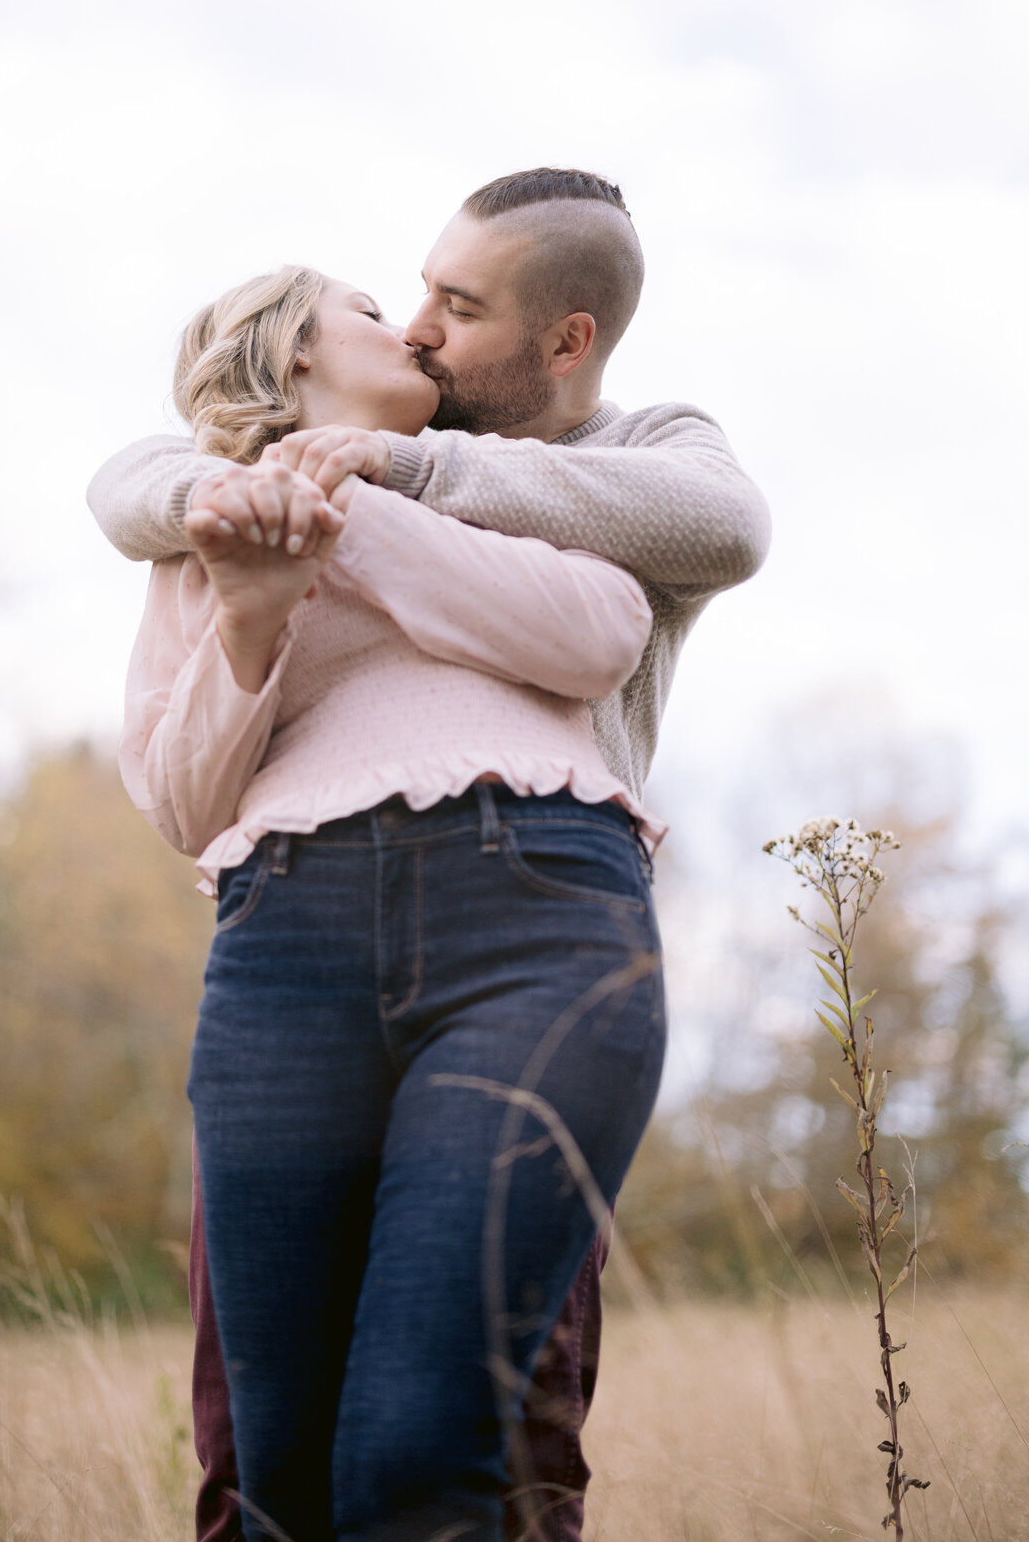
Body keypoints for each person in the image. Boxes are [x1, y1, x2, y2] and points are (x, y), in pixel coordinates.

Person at [88, 167, 771, 1540]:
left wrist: (375, 489)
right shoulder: (218, 518)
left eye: (454, 308)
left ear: (565, 337)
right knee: (267, 1476)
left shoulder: (601, 465)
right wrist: (251, 582)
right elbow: (176, 766)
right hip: (286, 941)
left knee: (456, 1445)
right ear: (291, 354)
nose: (415, 329)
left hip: (531, 909)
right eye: (394, 301)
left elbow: (637, 601)